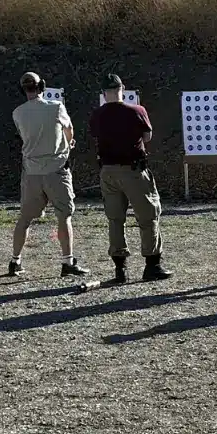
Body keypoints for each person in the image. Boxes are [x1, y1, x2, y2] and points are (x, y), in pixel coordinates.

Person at [90, 74, 169, 286]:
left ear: (103, 93)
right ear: (122, 88)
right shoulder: (137, 111)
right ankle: (152, 266)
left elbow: (96, 136)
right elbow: (147, 137)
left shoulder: (97, 114)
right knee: (148, 216)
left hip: (108, 171)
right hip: (133, 171)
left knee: (115, 220)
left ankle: (120, 269)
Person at [9, 72, 86, 278]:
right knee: (64, 216)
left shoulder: (17, 113)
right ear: (42, 86)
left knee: (25, 218)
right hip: (56, 170)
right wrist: (68, 143)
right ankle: (67, 261)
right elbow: (69, 129)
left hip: (31, 172)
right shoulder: (56, 107)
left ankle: (15, 261)